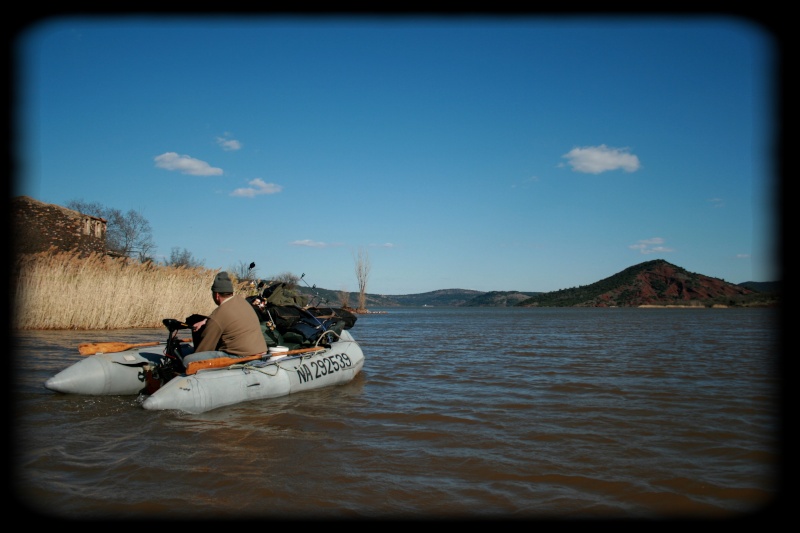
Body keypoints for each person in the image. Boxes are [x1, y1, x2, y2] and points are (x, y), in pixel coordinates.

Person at [182, 271, 268, 366]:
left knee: (188, 360)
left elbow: (204, 349)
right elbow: (229, 316)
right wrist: (205, 320)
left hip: (242, 357)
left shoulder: (217, 316)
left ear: (217, 295)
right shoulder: (242, 302)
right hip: (261, 353)